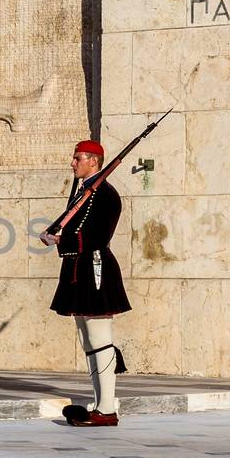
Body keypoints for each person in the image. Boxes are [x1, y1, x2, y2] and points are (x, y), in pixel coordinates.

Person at [41, 139, 129, 426]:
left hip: (95, 268)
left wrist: (60, 239)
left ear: (94, 161)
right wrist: (56, 236)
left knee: (100, 338)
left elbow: (98, 236)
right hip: (78, 268)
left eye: (77, 158)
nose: (72, 163)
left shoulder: (106, 194)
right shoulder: (83, 192)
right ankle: (99, 404)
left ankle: (107, 409)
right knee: (87, 338)